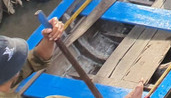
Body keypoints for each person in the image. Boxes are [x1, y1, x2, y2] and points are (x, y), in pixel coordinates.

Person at [0, 21, 144, 98]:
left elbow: (36, 59)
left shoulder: (4, 77)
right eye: (17, 61)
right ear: (11, 73)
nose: (21, 62)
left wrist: (50, 39)